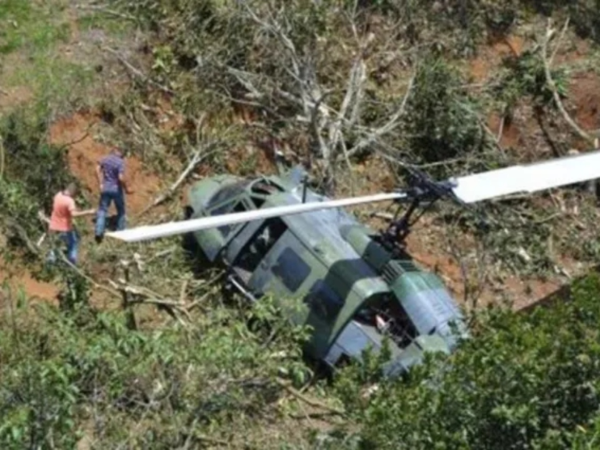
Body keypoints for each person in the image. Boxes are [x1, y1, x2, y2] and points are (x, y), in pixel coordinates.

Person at [48, 183, 95, 265]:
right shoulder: (70, 201)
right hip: (64, 228)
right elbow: (74, 214)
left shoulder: (58, 195)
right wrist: (88, 212)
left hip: (53, 226)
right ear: (73, 193)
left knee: (55, 244)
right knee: (73, 243)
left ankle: (50, 263)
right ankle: (71, 264)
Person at [94, 146, 133, 242]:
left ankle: (99, 231)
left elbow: (97, 168)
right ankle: (121, 232)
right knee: (121, 211)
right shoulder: (120, 162)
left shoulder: (105, 158)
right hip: (116, 190)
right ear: (120, 153)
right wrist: (126, 188)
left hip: (105, 189)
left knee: (103, 210)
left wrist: (101, 183)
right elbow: (120, 177)